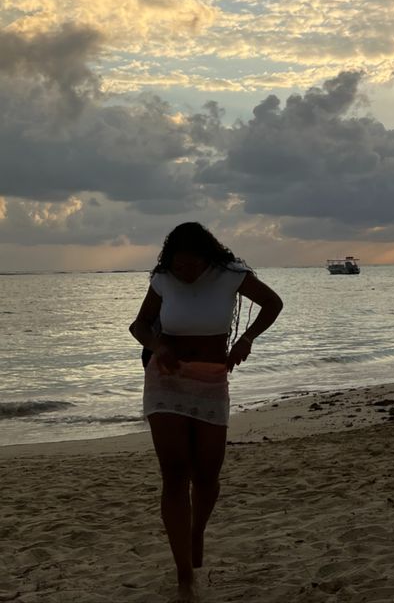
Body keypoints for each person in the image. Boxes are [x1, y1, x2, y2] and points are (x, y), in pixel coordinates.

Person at [129, 222, 283, 599]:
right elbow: (139, 326)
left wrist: (246, 339)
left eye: (191, 265)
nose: (185, 273)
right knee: (175, 473)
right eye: (178, 265)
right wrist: (159, 346)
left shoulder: (231, 276)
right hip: (166, 379)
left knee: (208, 473)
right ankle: (184, 574)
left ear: (206, 257)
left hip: (213, 378)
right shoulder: (163, 279)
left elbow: (273, 303)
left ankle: (196, 532)